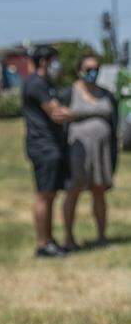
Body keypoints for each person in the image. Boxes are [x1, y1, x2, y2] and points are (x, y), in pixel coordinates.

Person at [62, 52, 119, 249]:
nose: (93, 73)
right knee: (74, 190)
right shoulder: (69, 93)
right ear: (79, 71)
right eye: (89, 69)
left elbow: (114, 120)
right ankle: (68, 238)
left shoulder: (106, 94)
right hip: (78, 151)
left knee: (99, 191)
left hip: (101, 150)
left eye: (96, 69)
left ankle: (102, 236)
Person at [22, 45, 72, 257]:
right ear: (44, 61)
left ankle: (49, 240)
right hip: (44, 146)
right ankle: (43, 244)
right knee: (44, 196)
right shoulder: (36, 84)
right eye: (55, 61)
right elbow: (56, 114)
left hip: (51, 145)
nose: (57, 66)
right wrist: (82, 112)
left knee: (50, 195)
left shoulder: (44, 83)